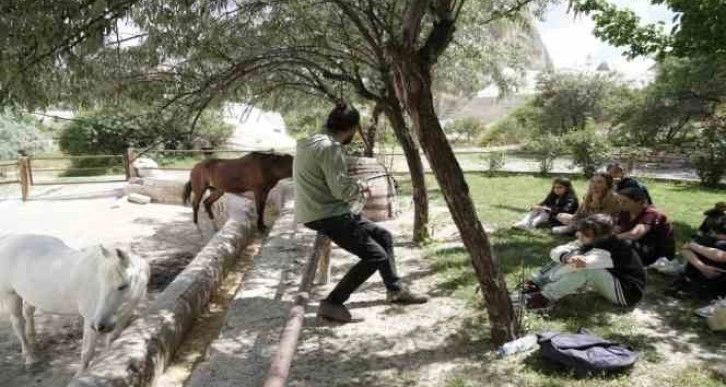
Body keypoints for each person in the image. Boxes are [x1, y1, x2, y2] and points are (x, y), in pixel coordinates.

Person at [293, 101, 428, 323]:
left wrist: (351, 183)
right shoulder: (330, 148)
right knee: (375, 256)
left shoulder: (310, 142)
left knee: (384, 237)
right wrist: (360, 186)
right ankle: (333, 302)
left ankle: (395, 290)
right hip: (327, 214)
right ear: (353, 128)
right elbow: (340, 191)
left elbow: (327, 182)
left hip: (317, 210)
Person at [522, 214, 646, 310]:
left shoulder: (609, 250)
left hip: (627, 292)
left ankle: (544, 298)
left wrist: (554, 276)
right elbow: (556, 251)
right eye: (581, 231)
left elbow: (578, 265)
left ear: (602, 236)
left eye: (586, 234)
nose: (580, 235)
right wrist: (565, 257)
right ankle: (536, 283)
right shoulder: (591, 241)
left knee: (585, 269)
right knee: (569, 255)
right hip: (612, 279)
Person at [668, 216, 726, 300]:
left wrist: (694, 246)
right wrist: (702, 267)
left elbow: (721, 256)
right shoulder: (710, 240)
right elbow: (685, 249)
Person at [615, 187, 676, 266]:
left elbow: (635, 234)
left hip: (657, 252)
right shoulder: (625, 211)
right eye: (619, 201)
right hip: (640, 245)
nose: (621, 204)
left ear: (639, 202)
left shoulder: (651, 213)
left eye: (625, 201)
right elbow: (618, 228)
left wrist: (612, 238)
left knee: (624, 242)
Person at [553, 173, 621, 235]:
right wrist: (575, 220)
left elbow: (602, 220)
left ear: (607, 185)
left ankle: (578, 230)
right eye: (592, 182)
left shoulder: (613, 198)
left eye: (599, 182)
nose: (594, 185)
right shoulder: (588, 196)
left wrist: (596, 204)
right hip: (584, 221)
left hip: (601, 225)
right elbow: (577, 215)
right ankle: (579, 229)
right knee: (561, 215)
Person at [513, 177, 579, 230]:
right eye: (555, 187)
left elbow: (565, 211)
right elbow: (544, 203)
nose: (556, 189)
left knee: (545, 211)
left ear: (567, 188)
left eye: (560, 187)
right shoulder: (553, 195)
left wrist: (546, 209)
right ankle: (524, 222)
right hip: (551, 215)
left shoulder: (571, 199)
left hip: (562, 219)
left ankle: (532, 224)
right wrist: (537, 206)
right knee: (537, 209)